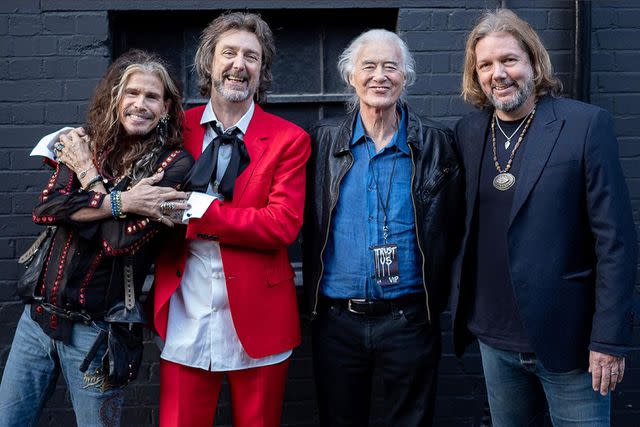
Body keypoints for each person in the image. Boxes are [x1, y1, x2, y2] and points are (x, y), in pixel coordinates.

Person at [451, 9, 638, 426]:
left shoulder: (584, 125)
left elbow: (616, 242)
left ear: (534, 63)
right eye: (485, 64)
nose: (498, 73)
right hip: (494, 340)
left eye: (509, 60)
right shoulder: (468, 132)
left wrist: (609, 338)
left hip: (570, 343)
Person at [0, 50, 193, 427]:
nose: (140, 104)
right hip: (36, 321)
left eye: (152, 97)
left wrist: (88, 180)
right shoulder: (82, 141)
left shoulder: (174, 165)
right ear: (117, 99)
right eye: (132, 93)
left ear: (166, 106)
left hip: (97, 335)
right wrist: (124, 200)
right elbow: (47, 209)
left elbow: (117, 242)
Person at [151, 12, 311, 427]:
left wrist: (200, 210)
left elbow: (281, 224)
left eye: (252, 56)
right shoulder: (173, 128)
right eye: (230, 53)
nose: (239, 64)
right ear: (210, 62)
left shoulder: (289, 139)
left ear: (262, 71)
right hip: (186, 312)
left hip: (261, 316)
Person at [303, 29, 464, 426]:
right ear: (351, 77)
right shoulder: (320, 141)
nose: (380, 76)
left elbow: (456, 228)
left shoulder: (438, 144)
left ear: (405, 77)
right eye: (369, 66)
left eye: (390, 66)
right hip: (337, 321)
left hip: (410, 320)